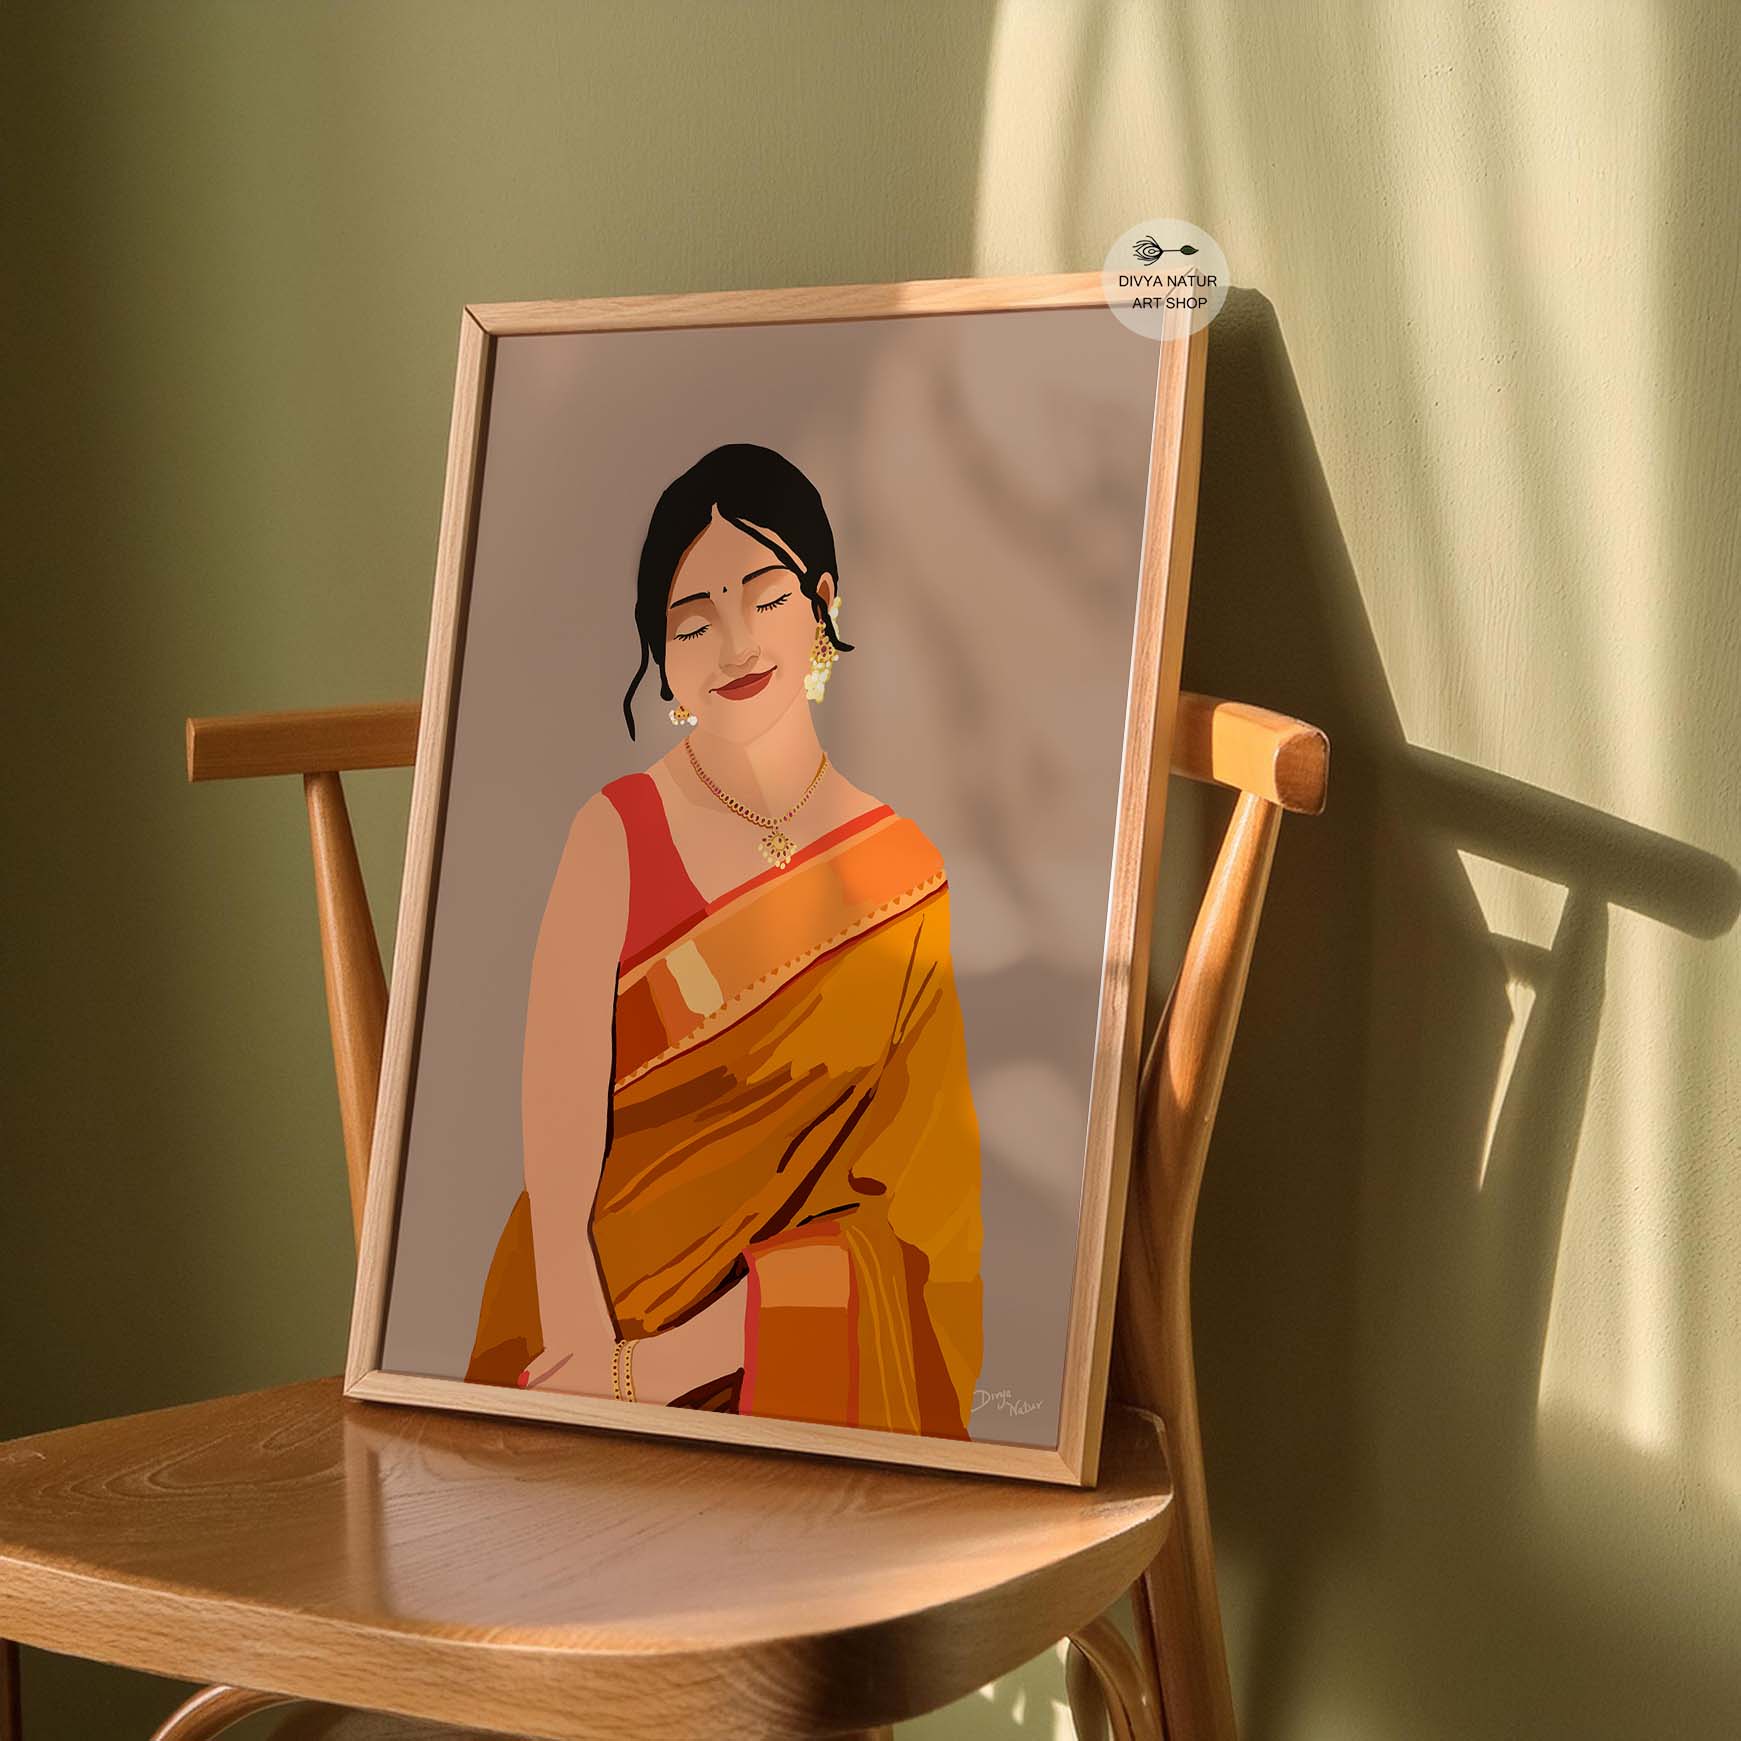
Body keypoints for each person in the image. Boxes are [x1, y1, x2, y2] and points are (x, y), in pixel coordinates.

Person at [464, 443, 984, 1436]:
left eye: (763, 596)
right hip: (571, 1335)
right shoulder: (613, 832)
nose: (734, 642)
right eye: (691, 621)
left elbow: (910, 1222)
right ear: (664, 660)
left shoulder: (901, 875)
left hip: (786, 1368)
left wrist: (658, 1372)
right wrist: (592, 1362)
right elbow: (560, 1133)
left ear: (824, 601)